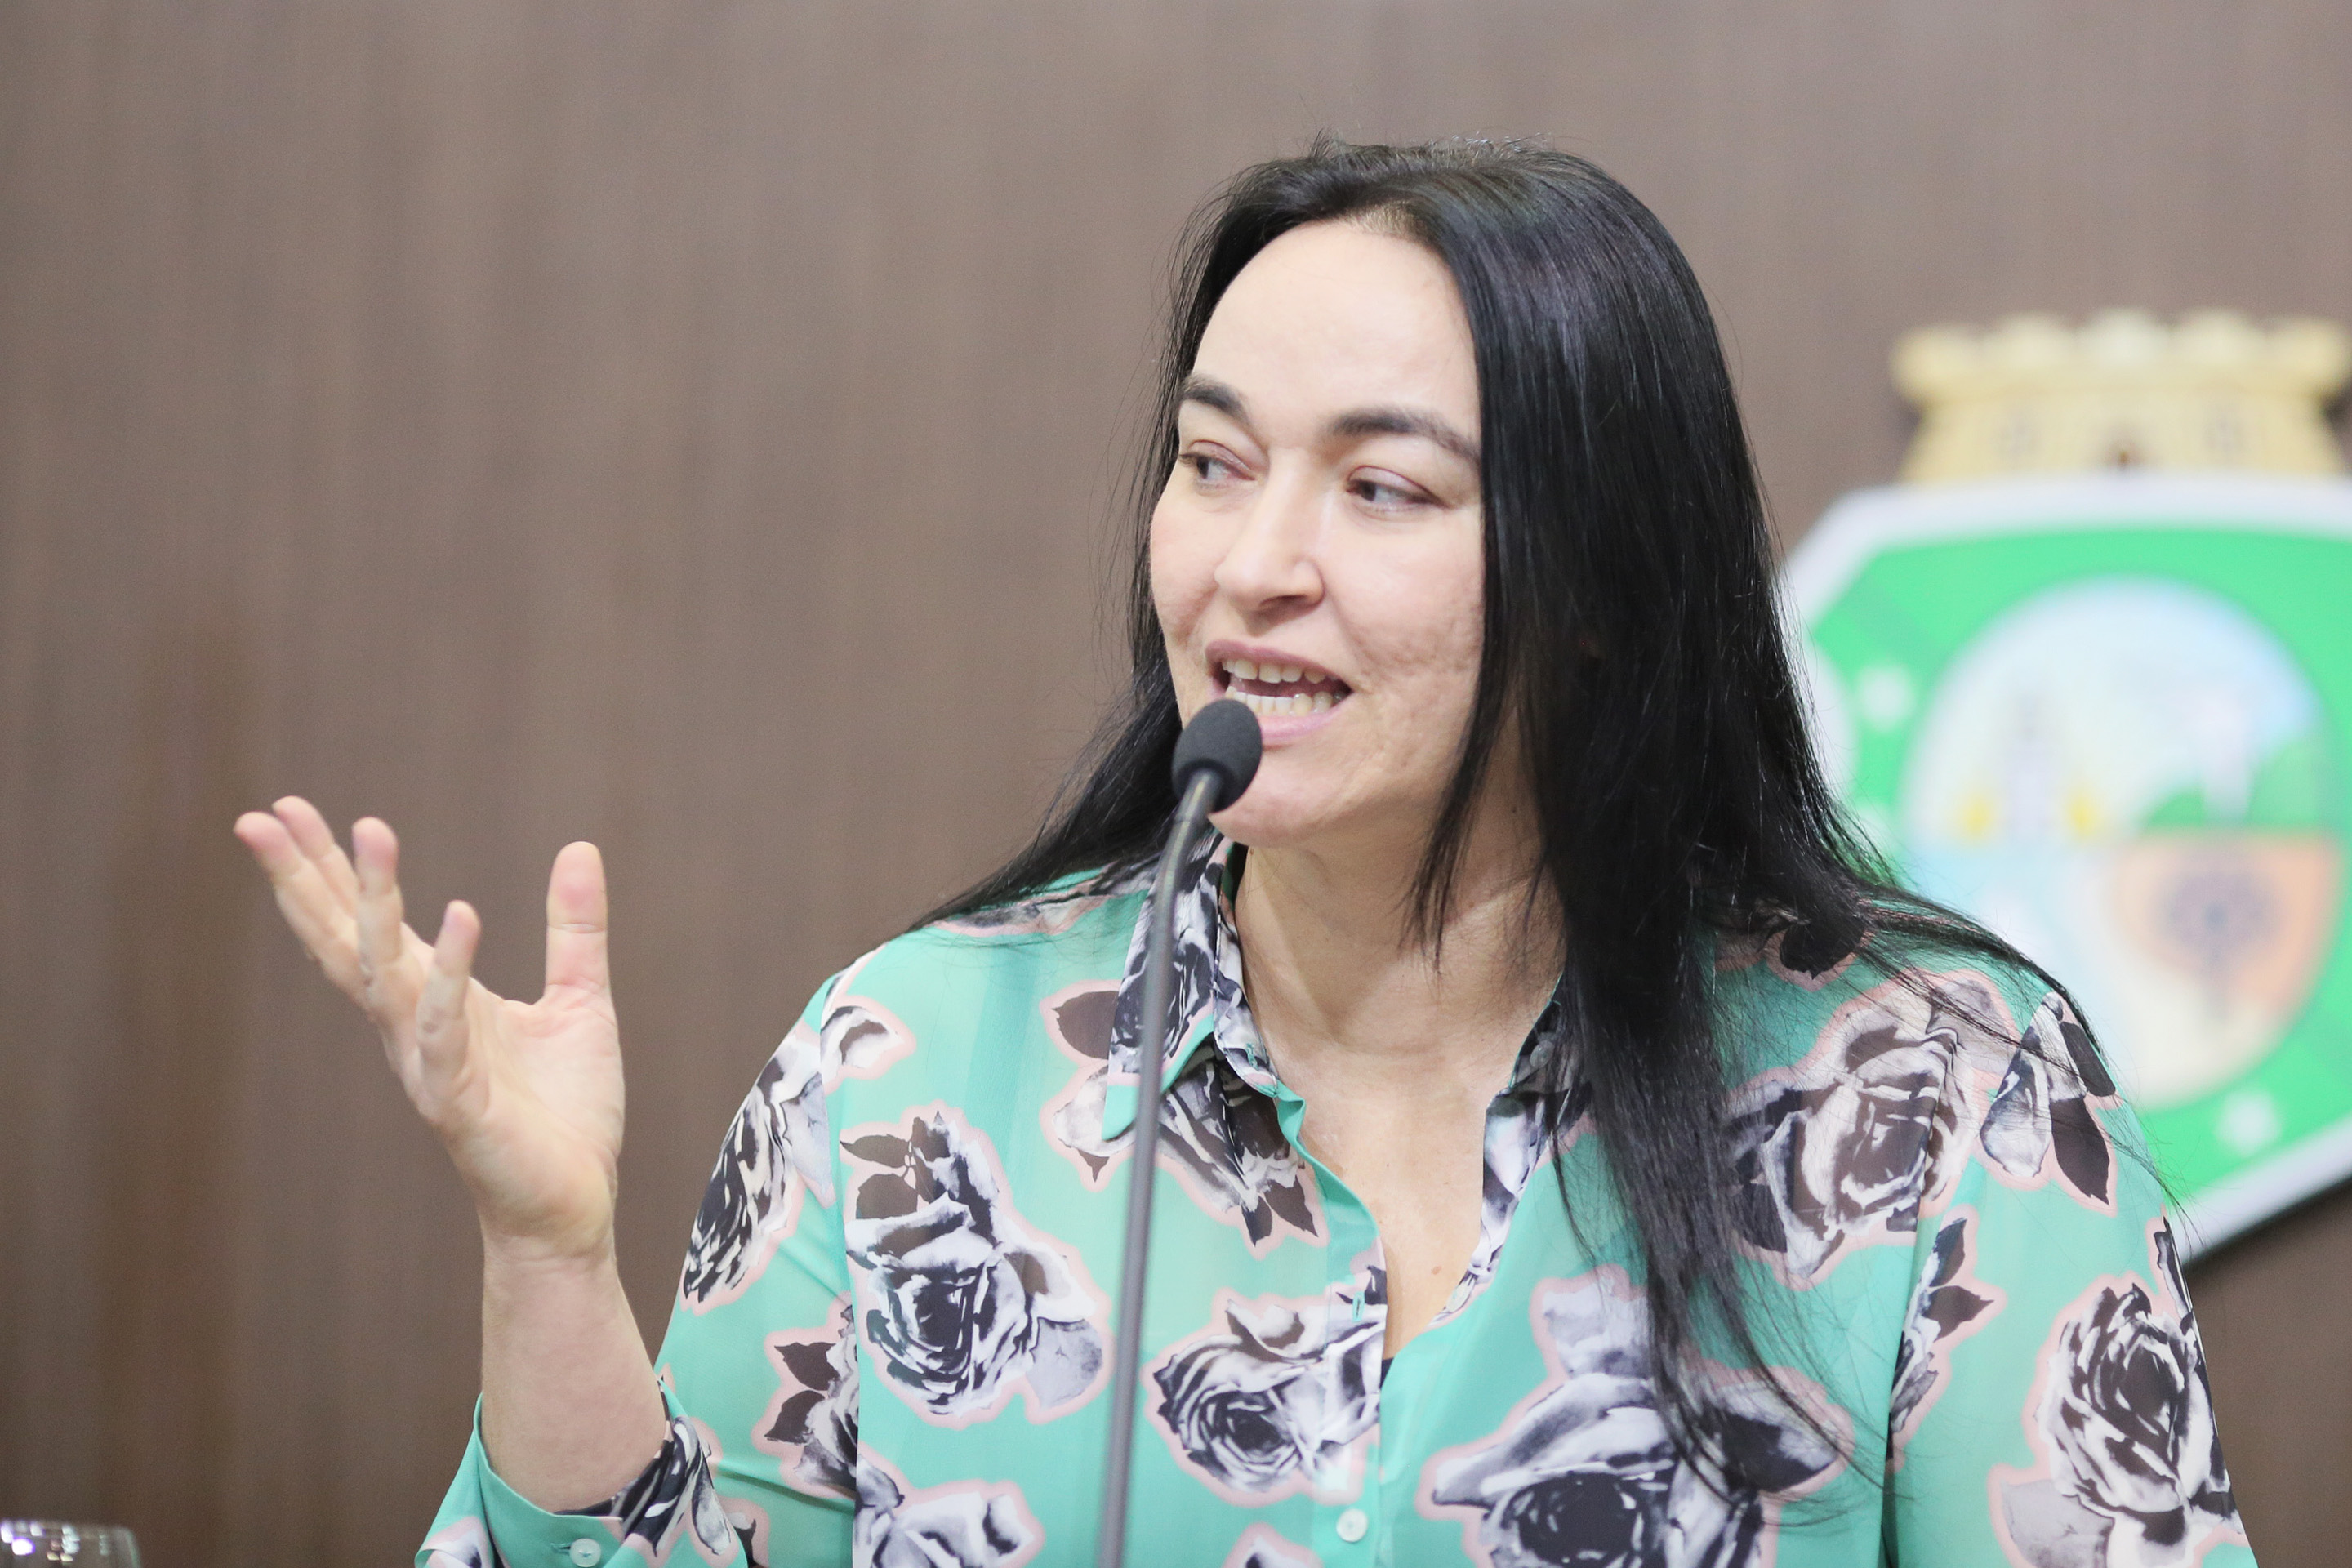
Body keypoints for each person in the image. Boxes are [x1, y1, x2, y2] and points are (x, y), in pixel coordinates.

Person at [235, 140, 2253, 1568]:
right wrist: (547, 1259)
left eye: (1383, 490)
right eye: (1213, 464)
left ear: (1603, 590)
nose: (1254, 564)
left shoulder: (1941, 1097)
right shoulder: (914, 1072)